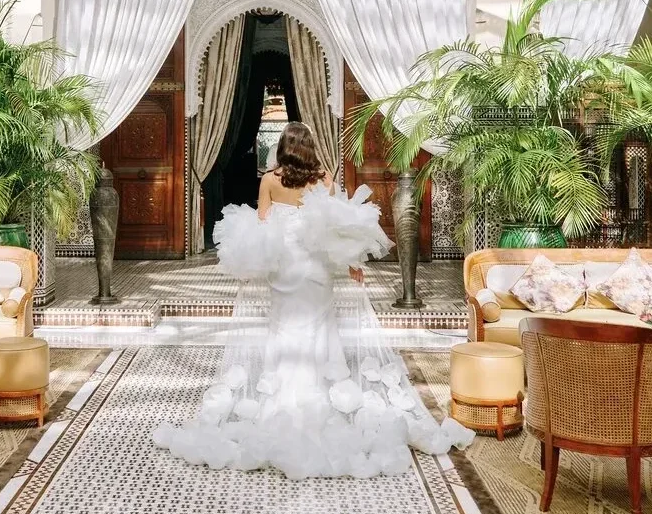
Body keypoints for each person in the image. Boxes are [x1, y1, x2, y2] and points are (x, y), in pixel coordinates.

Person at [152, 122, 474, 479]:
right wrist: (352, 263)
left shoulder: (270, 180)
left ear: (284, 148)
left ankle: (279, 396)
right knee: (322, 325)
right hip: (316, 266)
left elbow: (263, 222)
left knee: (283, 324)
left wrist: (253, 260)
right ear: (309, 147)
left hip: (284, 265)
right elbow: (335, 226)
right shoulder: (323, 179)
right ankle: (326, 392)